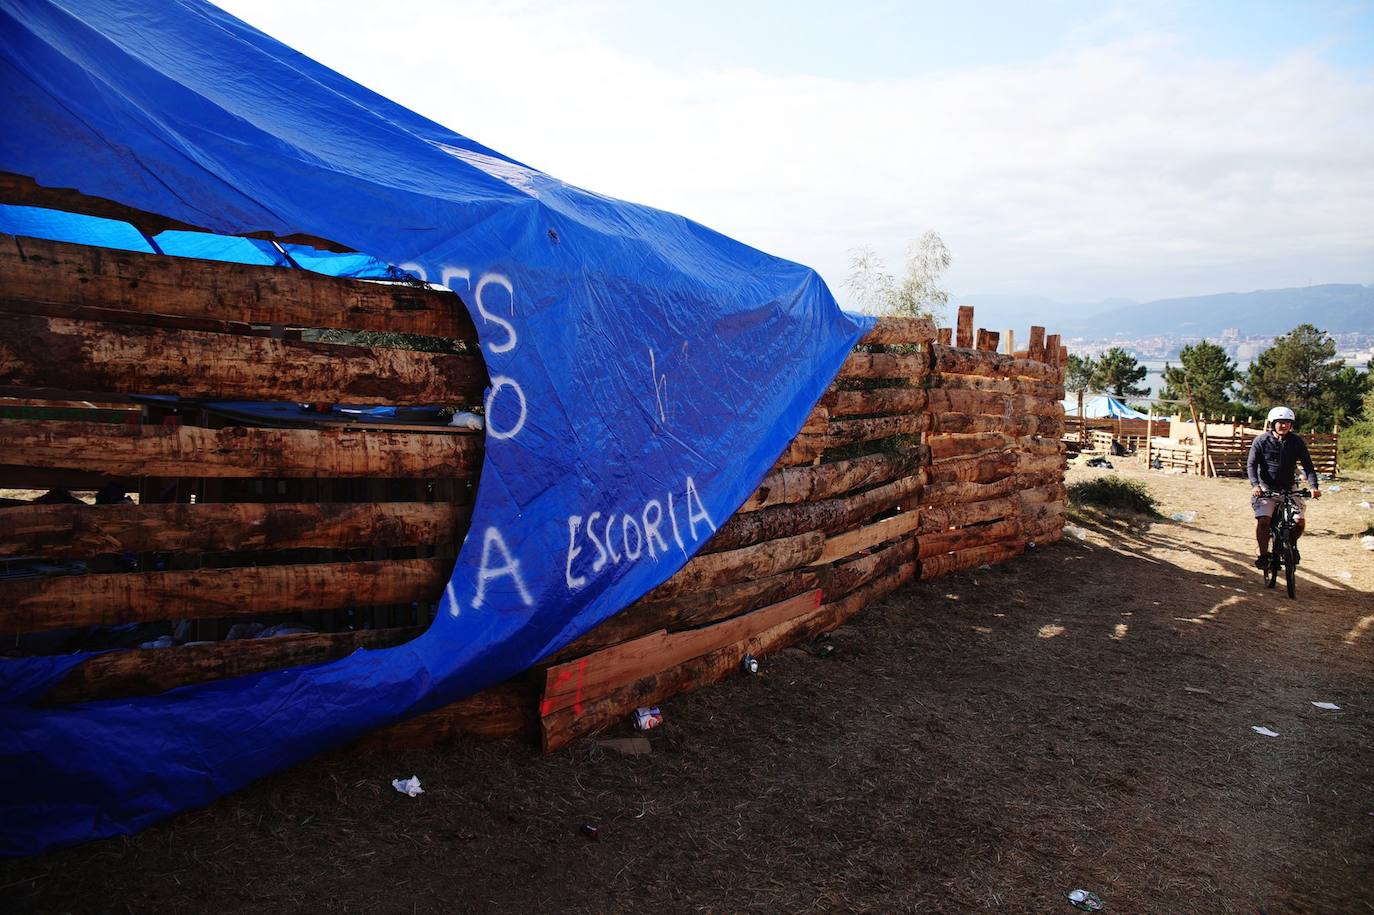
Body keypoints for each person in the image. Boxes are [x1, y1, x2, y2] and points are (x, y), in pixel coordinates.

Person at [1247, 406, 1321, 569]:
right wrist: (1255, 485)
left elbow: (1308, 466)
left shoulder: (1296, 442)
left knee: (1299, 522)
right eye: (1280, 422)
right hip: (1266, 488)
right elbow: (1252, 465)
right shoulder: (1261, 441)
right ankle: (1264, 555)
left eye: (1287, 423)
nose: (1284, 426)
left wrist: (1313, 486)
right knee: (1264, 522)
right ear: (1273, 424)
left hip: (1290, 488)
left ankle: (1290, 546)